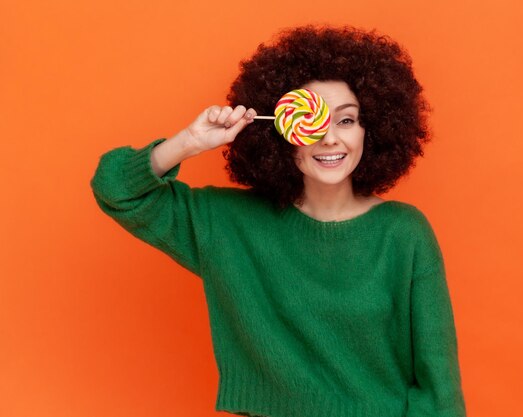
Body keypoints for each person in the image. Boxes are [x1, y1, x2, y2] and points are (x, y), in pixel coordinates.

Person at [90, 25, 467, 417]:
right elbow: (115, 188)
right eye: (313, 121)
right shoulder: (228, 224)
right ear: (283, 131)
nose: (329, 139)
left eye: (346, 120)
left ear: (371, 130)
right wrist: (189, 141)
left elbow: (439, 390)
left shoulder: (404, 234)